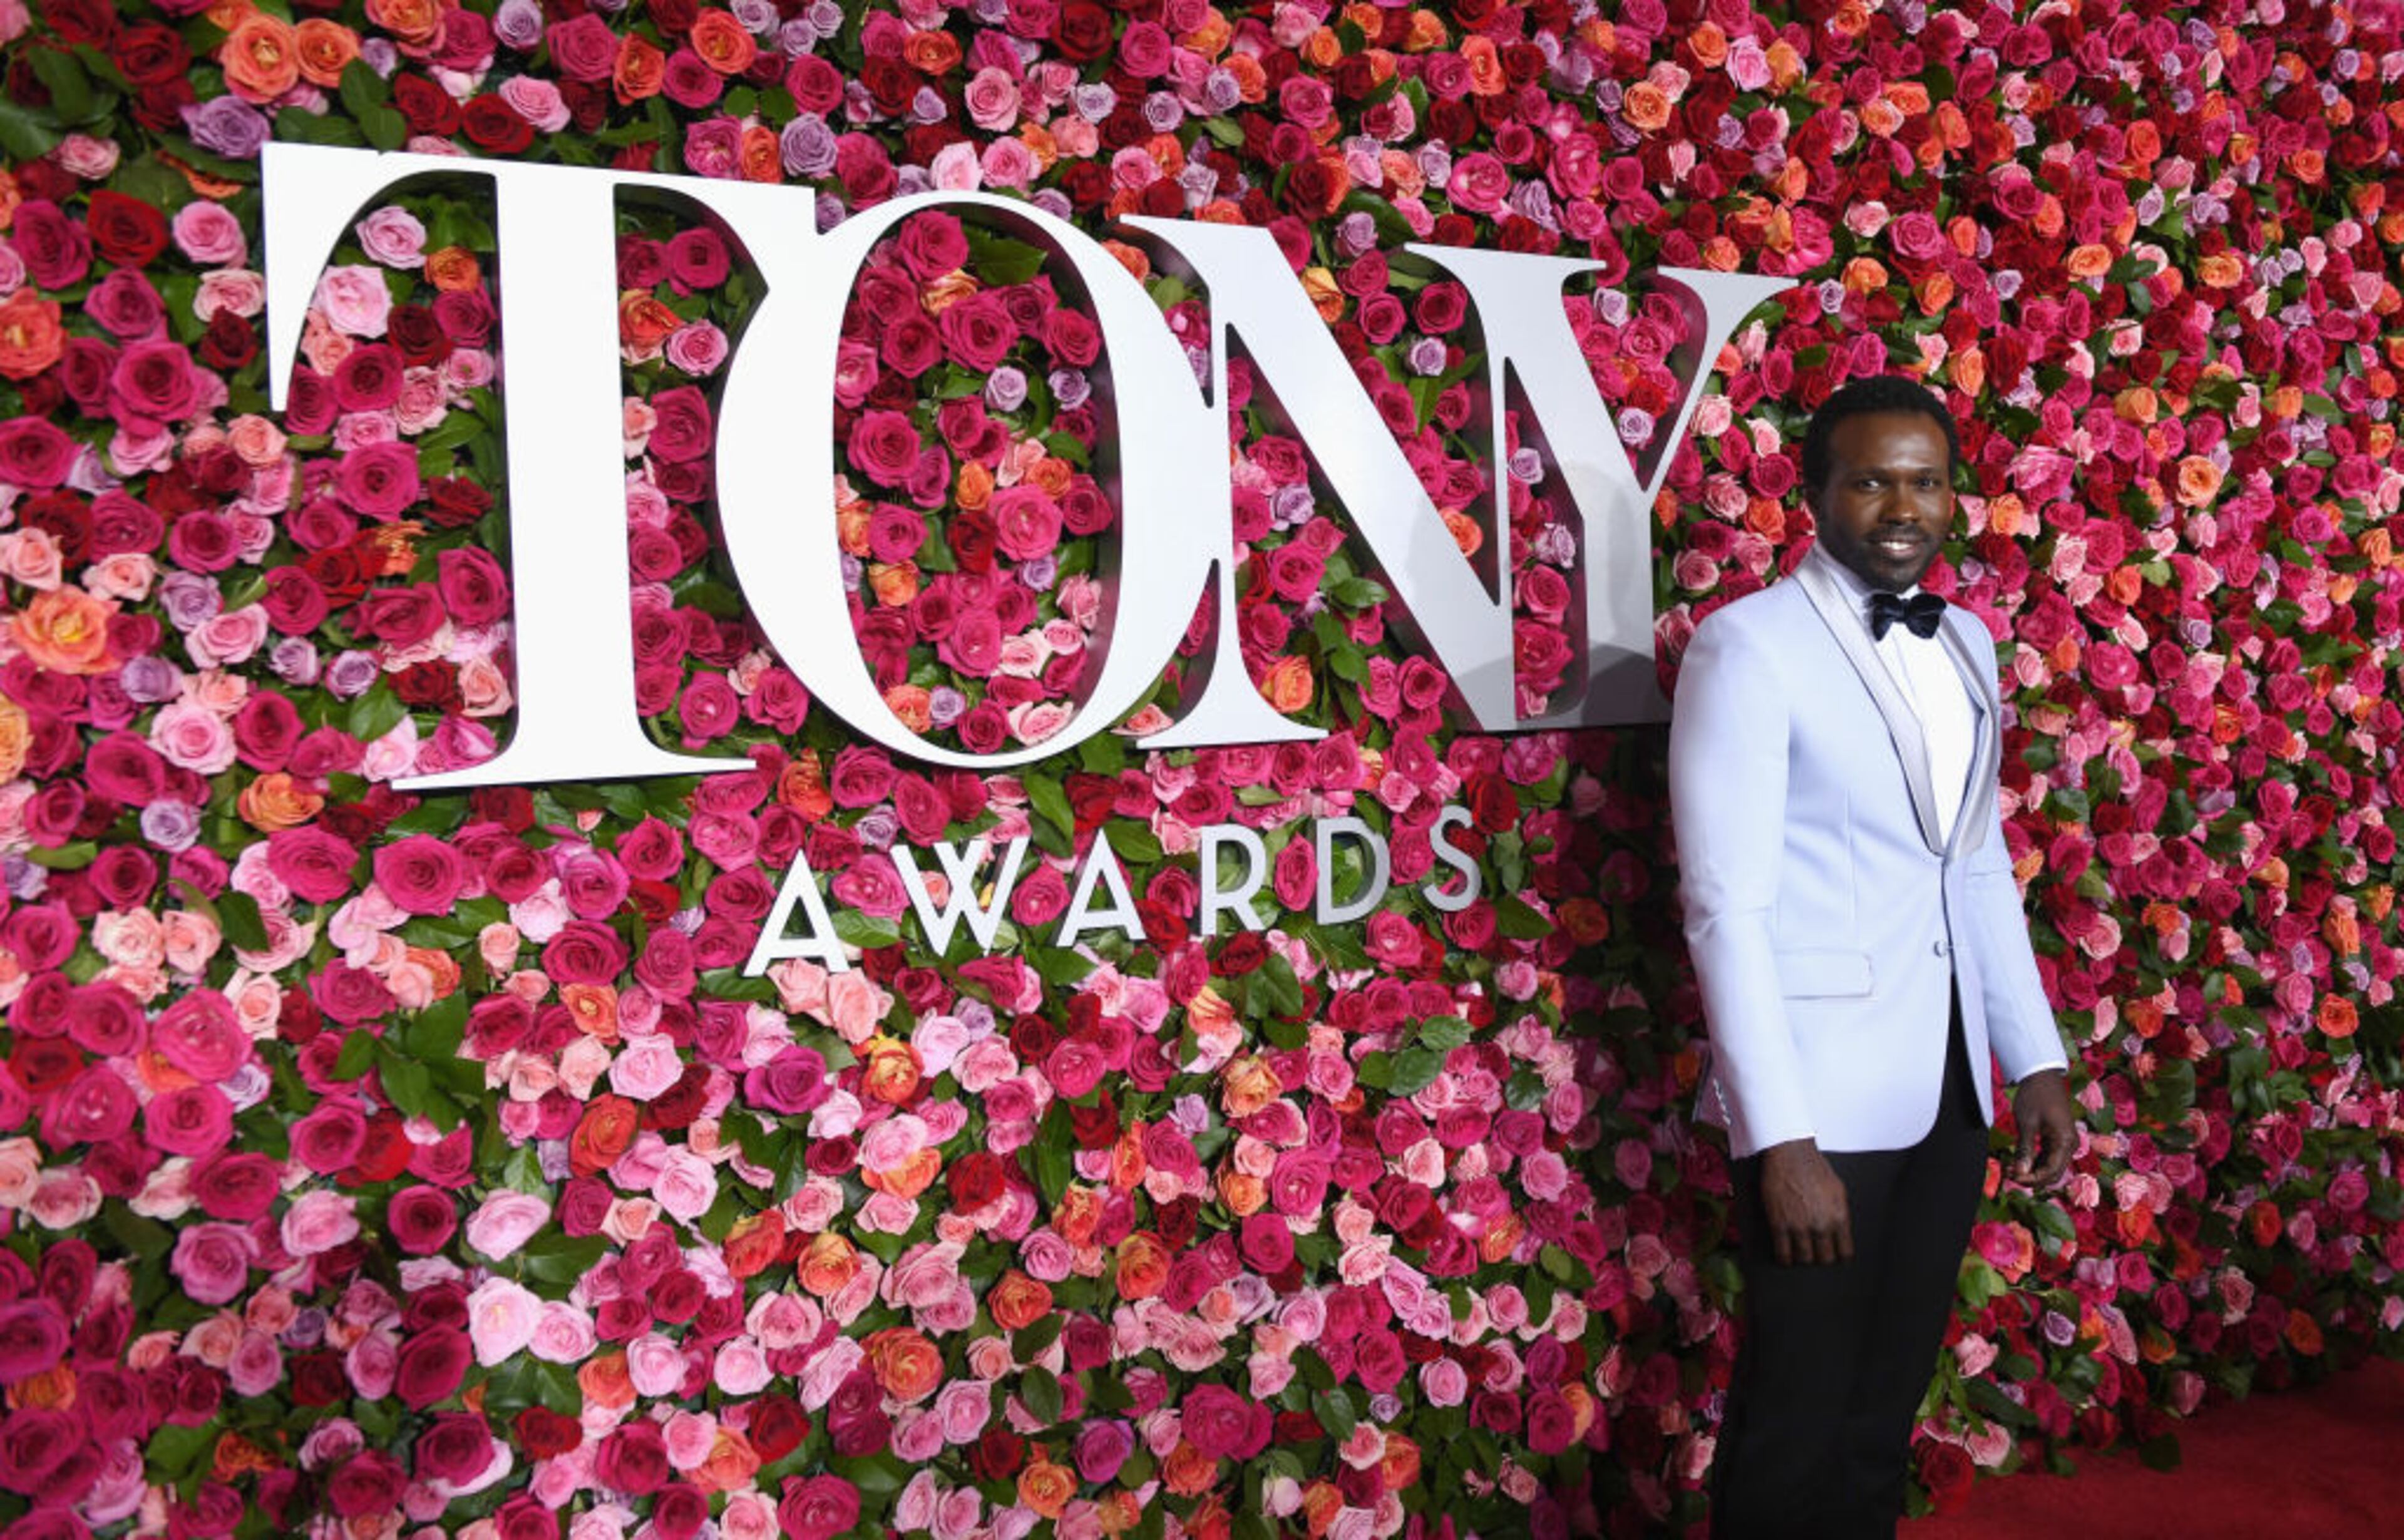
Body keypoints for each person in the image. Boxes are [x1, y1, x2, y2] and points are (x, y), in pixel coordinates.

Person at [1667, 374, 2078, 1537]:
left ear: (1955, 496)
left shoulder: (1971, 646)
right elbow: (1723, 910)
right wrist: (1778, 1137)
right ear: (1814, 495)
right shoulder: (1746, 647)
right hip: (1821, 1103)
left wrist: (2030, 1055)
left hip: (1948, 1090)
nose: (1903, 506)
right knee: (1795, 1411)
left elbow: (1977, 863)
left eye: (1927, 480)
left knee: (1882, 1408)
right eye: (1871, 480)